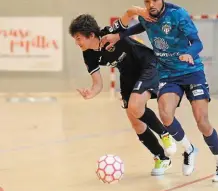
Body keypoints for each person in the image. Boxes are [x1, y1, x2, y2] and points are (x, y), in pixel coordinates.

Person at [99, 0, 218, 181]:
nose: (151, 4)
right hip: (168, 74)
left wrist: (189, 53)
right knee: (165, 114)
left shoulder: (178, 14)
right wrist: (119, 36)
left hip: (191, 71)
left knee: (202, 121)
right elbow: (139, 27)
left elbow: (197, 42)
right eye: (147, 0)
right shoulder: (146, 15)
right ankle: (189, 149)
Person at [68, 13, 177, 176]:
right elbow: (97, 84)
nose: (77, 43)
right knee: (135, 122)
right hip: (127, 74)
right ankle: (161, 157)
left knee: (136, 105)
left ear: (91, 35)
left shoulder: (107, 33)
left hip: (147, 65)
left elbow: (129, 14)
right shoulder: (88, 55)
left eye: (78, 38)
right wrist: (91, 93)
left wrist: (142, 11)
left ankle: (164, 133)